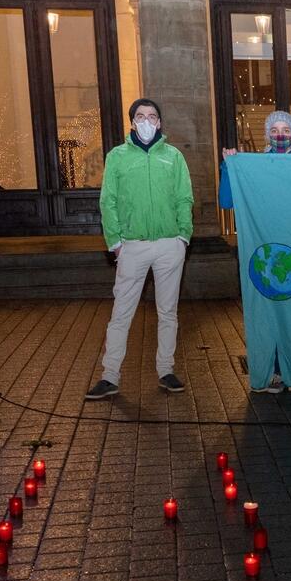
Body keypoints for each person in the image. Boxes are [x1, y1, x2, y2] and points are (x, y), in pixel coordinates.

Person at [86, 98, 193, 400]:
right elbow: (108, 201)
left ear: (160, 123)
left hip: (169, 245)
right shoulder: (118, 157)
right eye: (141, 116)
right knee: (121, 313)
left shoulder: (173, 157)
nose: (147, 121)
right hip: (131, 247)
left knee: (168, 312)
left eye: (153, 116)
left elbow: (185, 198)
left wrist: (183, 236)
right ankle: (110, 376)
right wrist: (116, 243)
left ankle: (166, 370)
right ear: (132, 122)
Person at [221, 110, 291, 393]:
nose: (280, 134)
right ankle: (279, 371)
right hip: (271, 254)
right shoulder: (256, 166)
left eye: (285, 129)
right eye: (274, 129)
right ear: (266, 134)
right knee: (273, 313)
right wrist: (229, 167)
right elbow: (226, 200)